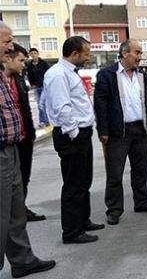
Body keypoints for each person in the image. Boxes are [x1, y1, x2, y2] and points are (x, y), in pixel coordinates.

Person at [0, 20, 56, 278]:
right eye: (6, 41)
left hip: (11, 149)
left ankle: (22, 260)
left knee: (15, 211)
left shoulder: (5, 75)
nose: (11, 47)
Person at [43, 36, 104, 244]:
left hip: (81, 133)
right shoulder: (58, 74)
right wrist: (74, 133)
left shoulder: (70, 73)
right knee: (73, 184)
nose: (88, 57)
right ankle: (71, 231)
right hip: (71, 136)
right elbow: (62, 107)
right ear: (74, 53)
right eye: (86, 53)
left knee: (83, 181)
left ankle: (82, 221)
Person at [94, 39, 147, 225]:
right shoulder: (107, 75)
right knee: (115, 172)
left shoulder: (143, 77)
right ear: (125, 54)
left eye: (140, 53)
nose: (140, 56)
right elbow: (100, 105)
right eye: (137, 52)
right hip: (118, 132)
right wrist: (103, 131)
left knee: (141, 170)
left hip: (141, 129)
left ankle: (141, 202)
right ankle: (114, 209)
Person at [3, 43, 46, 222]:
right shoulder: (2, 82)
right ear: (8, 59)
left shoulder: (19, 79)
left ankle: (22, 208)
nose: (24, 64)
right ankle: (12, 212)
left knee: (23, 176)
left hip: (24, 136)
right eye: (21, 60)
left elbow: (25, 108)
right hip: (7, 140)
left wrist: (30, 132)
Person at [26, 47, 50, 128]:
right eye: (31, 54)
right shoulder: (30, 65)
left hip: (44, 87)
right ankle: (45, 121)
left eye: (35, 53)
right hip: (36, 87)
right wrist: (32, 84)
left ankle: (44, 121)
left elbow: (49, 74)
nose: (33, 55)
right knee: (40, 105)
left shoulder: (43, 63)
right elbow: (29, 76)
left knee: (41, 104)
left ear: (38, 54)